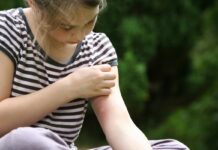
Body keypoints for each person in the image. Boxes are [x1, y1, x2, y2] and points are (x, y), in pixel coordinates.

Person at [0, 0, 189, 149]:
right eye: (66, 27)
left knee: (173, 148)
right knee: (25, 141)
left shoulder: (98, 49)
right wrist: (70, 87)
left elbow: (119, 125)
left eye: (90, 21)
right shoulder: (8, 29)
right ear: (33, 2)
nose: (79, 36)